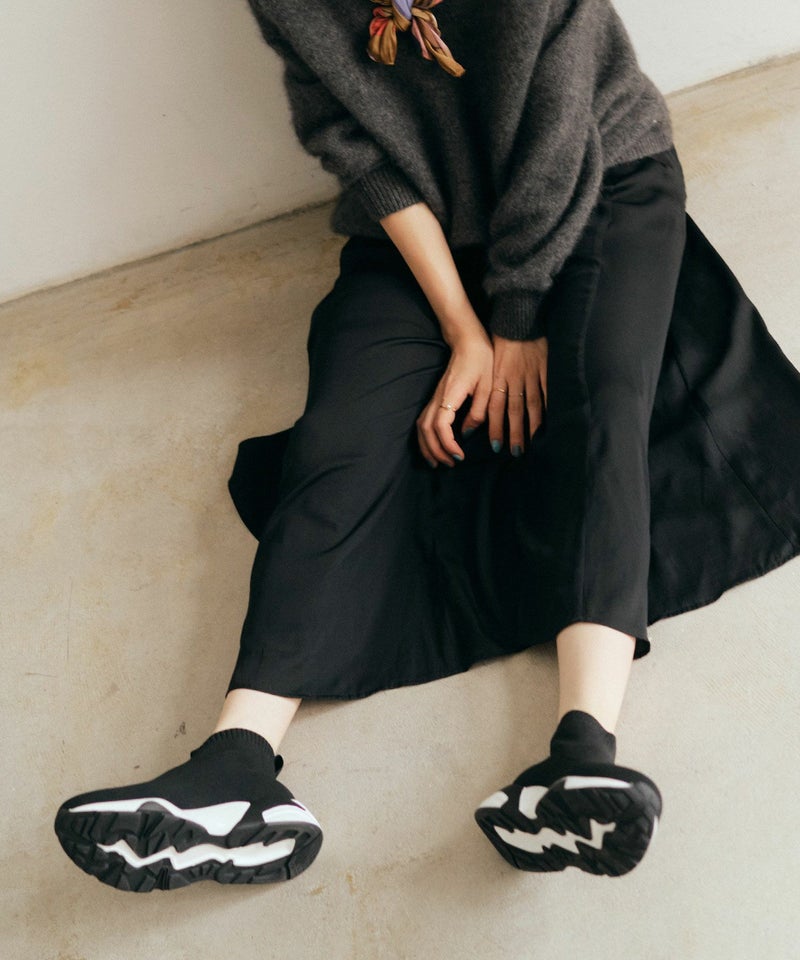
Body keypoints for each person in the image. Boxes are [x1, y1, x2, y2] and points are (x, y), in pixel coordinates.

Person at [54, 0, 800, 890]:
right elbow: (356, 148)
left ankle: (583, 752)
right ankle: (234, 767)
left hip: (599, 179)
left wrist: (517, 317)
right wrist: (463, 326)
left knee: (600, 408)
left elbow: (555, 129)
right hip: (428, 238)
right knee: (340, 443)